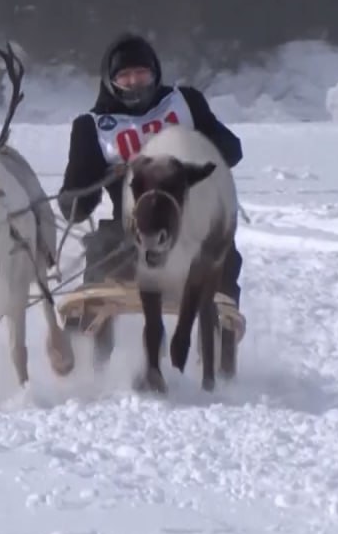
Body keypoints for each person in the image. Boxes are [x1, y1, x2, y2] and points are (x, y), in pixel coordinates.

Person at [57, 32, 245, 355]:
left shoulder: (184, 103)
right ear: (111, 80)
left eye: (141, 73)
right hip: (128, 232)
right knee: (100, 255)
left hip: (191, 225)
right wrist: (95, 179)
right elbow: (75, 206)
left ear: (154, 73)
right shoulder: (93, 127)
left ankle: (219, 347)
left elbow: (231, 149)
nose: (134, 82)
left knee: (224, 251)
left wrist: (188, 154)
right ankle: (85, 358)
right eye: (125, 75)